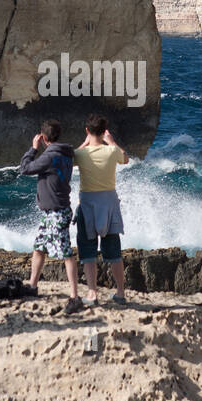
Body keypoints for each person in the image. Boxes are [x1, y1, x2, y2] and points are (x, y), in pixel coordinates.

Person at [19, 120, 82, 316]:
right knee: (39, 248)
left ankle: (74, 297)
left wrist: (33, 148)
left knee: (66, 254)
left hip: (56, 212)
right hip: (52, 212)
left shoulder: (50, 156)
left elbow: (25, 168)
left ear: (44, 138)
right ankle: (32, 285)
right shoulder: (65, 154)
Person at [73, 113, 129, 306]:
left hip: (88, 204)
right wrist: (112, 142)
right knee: (113, 252)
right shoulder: (112, 151)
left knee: (88, 251)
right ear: (104, 131)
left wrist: (84, 143)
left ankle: (92, 293)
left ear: (88, 131)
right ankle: (120, 293)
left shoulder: (81, 154)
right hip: (109, 206)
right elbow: (126, 159)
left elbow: (70, 160)